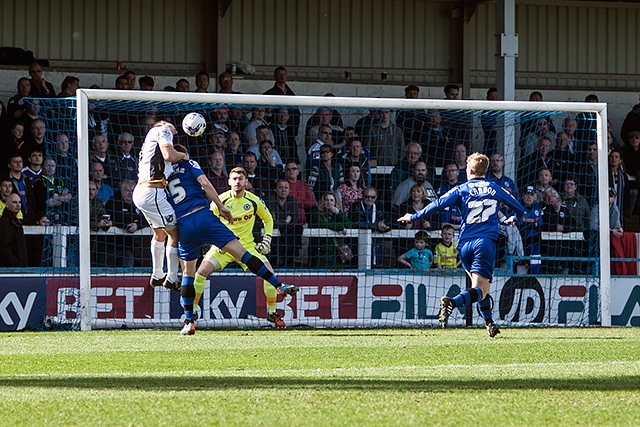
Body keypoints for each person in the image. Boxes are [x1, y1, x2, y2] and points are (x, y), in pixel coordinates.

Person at [398, 152, 525, 338]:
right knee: (481, 290)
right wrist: (513, 219)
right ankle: (452, 302)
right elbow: (519, 209)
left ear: (470, 170)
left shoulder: (461, 189)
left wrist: (414, 216)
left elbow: (437, 204)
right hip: (485, 243)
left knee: (478, 288)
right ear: (485, 170)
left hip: (464, 244)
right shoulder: (495, 188)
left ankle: (489, 323)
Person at [167, 157, 298, 334]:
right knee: (201, 273)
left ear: (246, 181)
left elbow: (268, 219)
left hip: (247, 245)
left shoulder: (254, 201)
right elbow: (209, 222)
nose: (237, 182)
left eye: (240, 179)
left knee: (269, 273)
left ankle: (272, 313)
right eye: (234, 178)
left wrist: (267, 239)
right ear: (229, 181)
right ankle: (194, 312)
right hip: (222, 246)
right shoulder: (220, 201)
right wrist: (214, 243)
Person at [132, 120, 188, 291]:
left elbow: (167, 161)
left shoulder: (151, 146)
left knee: (160, 233)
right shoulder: (161, 130)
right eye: (174, 128)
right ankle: (171, 278)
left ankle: (157, 274)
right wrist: (183, 155)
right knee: (175, 233)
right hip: (152, 192)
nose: (175, 132)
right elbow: (169, 155)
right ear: (163, 123)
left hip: (142, 191)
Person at [105, 180, 148, 267]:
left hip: (128, 248)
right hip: (109, 246)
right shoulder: (113, 202)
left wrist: (137, 225)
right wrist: (127, 224)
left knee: (128, 269)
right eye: (127, 191)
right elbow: (115, 217)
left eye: (132, 191)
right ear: (121, 191)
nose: (130, 194)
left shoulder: (139, 203)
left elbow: (146, 218)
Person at [308, 192, 352, 269]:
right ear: (322, 201)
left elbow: (349, 224)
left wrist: (338, 213)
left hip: (336, 255)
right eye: (326, 200)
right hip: (321, 255)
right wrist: (341, 227)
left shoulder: (336, 215)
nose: (329, 202)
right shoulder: (316, 212)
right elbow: (323, 224)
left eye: (332, 200)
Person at [267, 179, 299, 268]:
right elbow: (271, 222)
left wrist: (279, 222)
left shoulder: (293, 201)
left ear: (289, 190)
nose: (283, 190)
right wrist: (285, 221)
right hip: (272, 232)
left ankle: (289, 264)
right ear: (275, 189)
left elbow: (293, 221)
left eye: (286, 187)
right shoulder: (270, 200)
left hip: (289, 232)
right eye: (280, 187)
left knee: (296, 230)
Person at [33, 158, 72, 225]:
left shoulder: (61, 181)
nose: (50, 168)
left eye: (53, 166)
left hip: (62, 218)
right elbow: (48, 203)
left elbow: (69, 197)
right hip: (46, 218)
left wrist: (55, 198)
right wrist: (62, 198)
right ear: (42, 167)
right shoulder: (39, 183)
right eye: (48, 165)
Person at [519, 186, 543, 275]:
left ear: (535, 197)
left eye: (531, 194)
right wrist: (533, 224)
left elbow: (540, 224)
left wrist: (529, 224)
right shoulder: (518, 204)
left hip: (534, 239)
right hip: (521, 238)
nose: (529, 197)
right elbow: (519, 224)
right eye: (526, 194)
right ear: (522, 195)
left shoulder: (537, 206)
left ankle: (536, 274)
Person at [0, 193, 28, 267]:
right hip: (9, 269)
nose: (18, 205)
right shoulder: (5, 222)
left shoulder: (16, 221)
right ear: (7, 205)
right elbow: (4, 246)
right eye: (14, 202)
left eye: (19, 202)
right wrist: (14, 262)